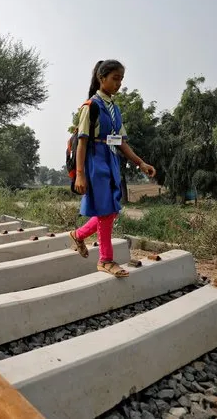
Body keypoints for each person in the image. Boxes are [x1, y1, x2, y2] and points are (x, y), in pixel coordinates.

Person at [69, 59, 156, 277]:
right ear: (102, 78)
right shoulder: (91, 107)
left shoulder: (114, 109)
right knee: (107, 211)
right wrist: (80, 175)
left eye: (121, 80)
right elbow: (82, 142)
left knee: (110, 209)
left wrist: (140, 163)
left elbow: (121, 142)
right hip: (95, 162)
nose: (118, 84)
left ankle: (78, 235)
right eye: (115, 79)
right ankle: (105, 260)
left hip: (111, 160)